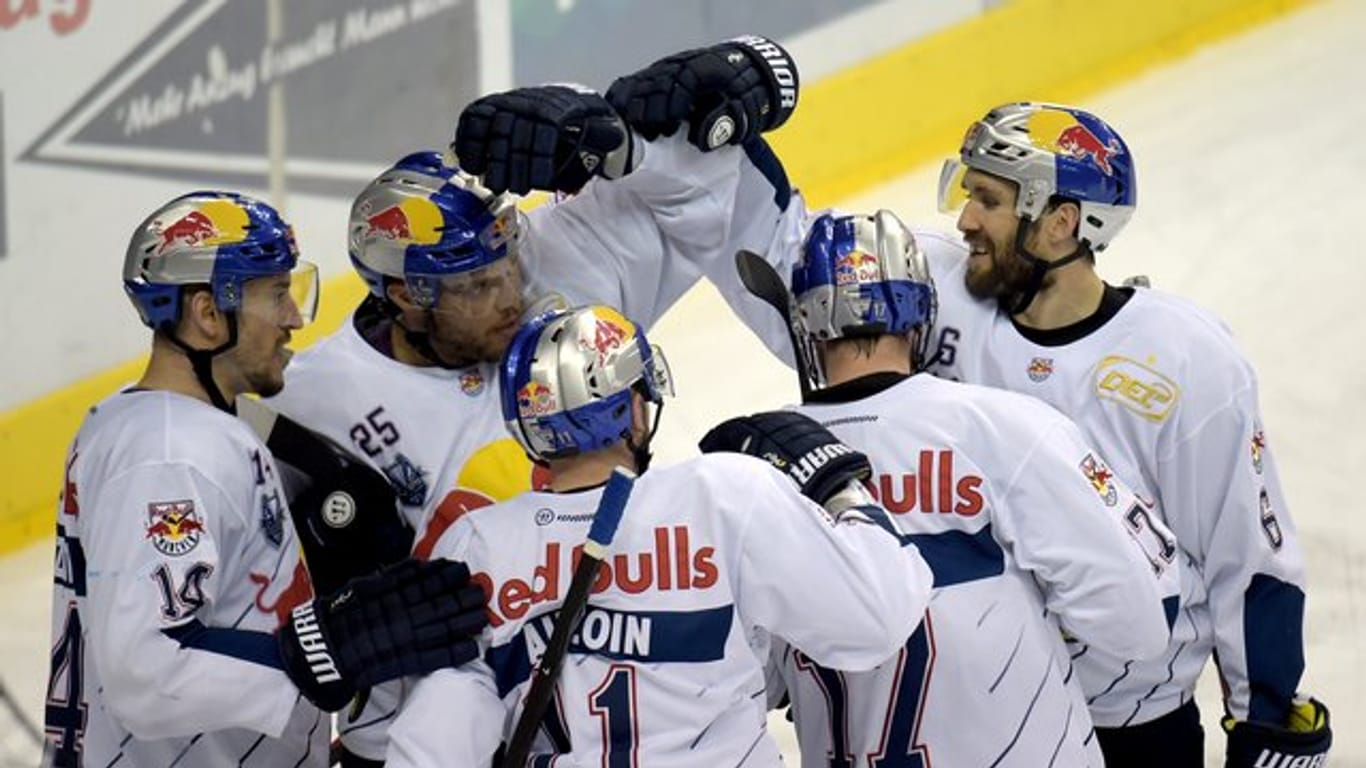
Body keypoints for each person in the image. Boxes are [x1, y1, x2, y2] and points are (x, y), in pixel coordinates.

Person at [264, 35, 806, 765]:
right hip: (457, 726)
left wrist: (619, 140)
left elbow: (706, 200)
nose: (512, 295)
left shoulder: (563, 264)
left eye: (509, 264)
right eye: (478, 286)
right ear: (404, 296)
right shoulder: (312, 404)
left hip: (641, 684)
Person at [926, 102, 1330, 767]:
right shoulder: (945, 301)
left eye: (988, 200)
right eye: (966, 194)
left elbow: (1247, 554)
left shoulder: (1184, 360)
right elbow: (803, 267)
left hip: (1129, 727)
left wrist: (1267, 718)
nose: (965, 220)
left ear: (1059, 223)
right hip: (977, 715)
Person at [43, 192, 485, 767]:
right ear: (207, 314)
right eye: (276, 295)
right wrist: (324, 652)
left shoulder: (157, 421)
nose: (294, 317)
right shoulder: (171, 456)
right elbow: (144, 674)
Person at [385, 304, 934, 767]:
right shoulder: (721, 494)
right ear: (634, 410)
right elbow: (878, 618)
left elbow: (432, 749)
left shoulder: (477, 544)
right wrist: (839, 488)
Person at [735, 208, 1173, 765]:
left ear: (805, 321)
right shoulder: (1008, 427)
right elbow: (1138, 626)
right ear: (922, 310)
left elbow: (756, 677)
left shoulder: (754, 474)